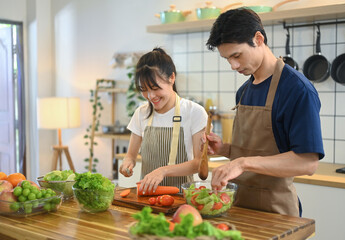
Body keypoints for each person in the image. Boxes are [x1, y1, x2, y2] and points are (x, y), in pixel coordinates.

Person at [205, 8, 324, 217]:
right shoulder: (244, 92)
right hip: (239, 208)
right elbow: (256, 152)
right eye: (227, 59)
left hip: (276, 212)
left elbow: (307, 162)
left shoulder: (297, 89)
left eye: (237, 55)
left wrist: (242, 163)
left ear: (258, 39)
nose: (233, 65)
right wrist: (225, 149)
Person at [119, 47, 208, 194]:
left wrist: (163, 171)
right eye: (144, 89)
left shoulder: (194, 112)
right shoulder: (141, 113)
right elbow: (130, 155)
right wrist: (127, 164)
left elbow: (198, 164)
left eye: (155, 88)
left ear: (172, 78)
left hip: (181, 197)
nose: (150, 96)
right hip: (148, 197)